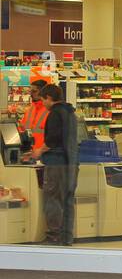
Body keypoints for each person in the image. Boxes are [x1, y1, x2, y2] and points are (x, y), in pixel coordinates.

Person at [33, 83, 78, 245]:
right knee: (67, 200)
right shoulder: (71, 113)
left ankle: (54, 236)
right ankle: (66, 237)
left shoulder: (54, 113)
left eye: (43, 99)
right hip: (72, 163)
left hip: (56, 162)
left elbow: (52, 140)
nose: (42, 104)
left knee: (53, 199)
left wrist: (39, 151)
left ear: (49, 98)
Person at [18, 78, 49, 157]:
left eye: (34, 91)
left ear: (43, 92)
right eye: (30, 91)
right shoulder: (30, 109)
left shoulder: (51, 111)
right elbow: (22, 129)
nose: (31, 94)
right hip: (29, 153)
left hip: (44, 155)